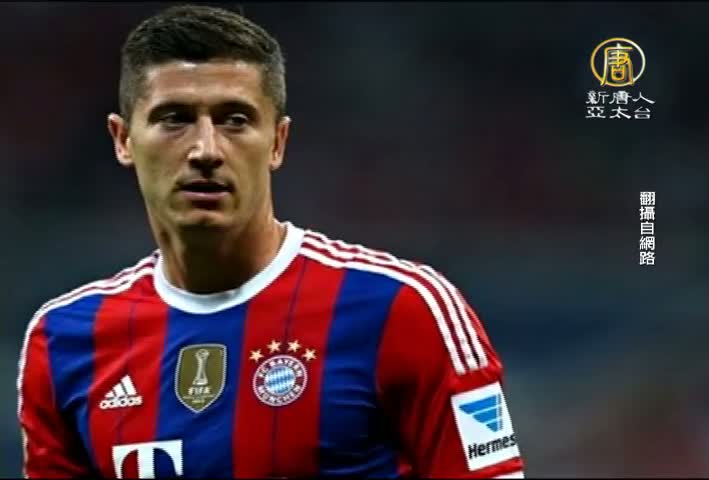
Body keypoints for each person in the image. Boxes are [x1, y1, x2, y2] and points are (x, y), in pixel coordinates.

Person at [16, 4, 525, 478]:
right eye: (175, 118)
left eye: (235, 120)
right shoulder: (63, 340)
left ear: (278, 142)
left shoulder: (403, 308)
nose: (206, 149)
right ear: (123, 139)